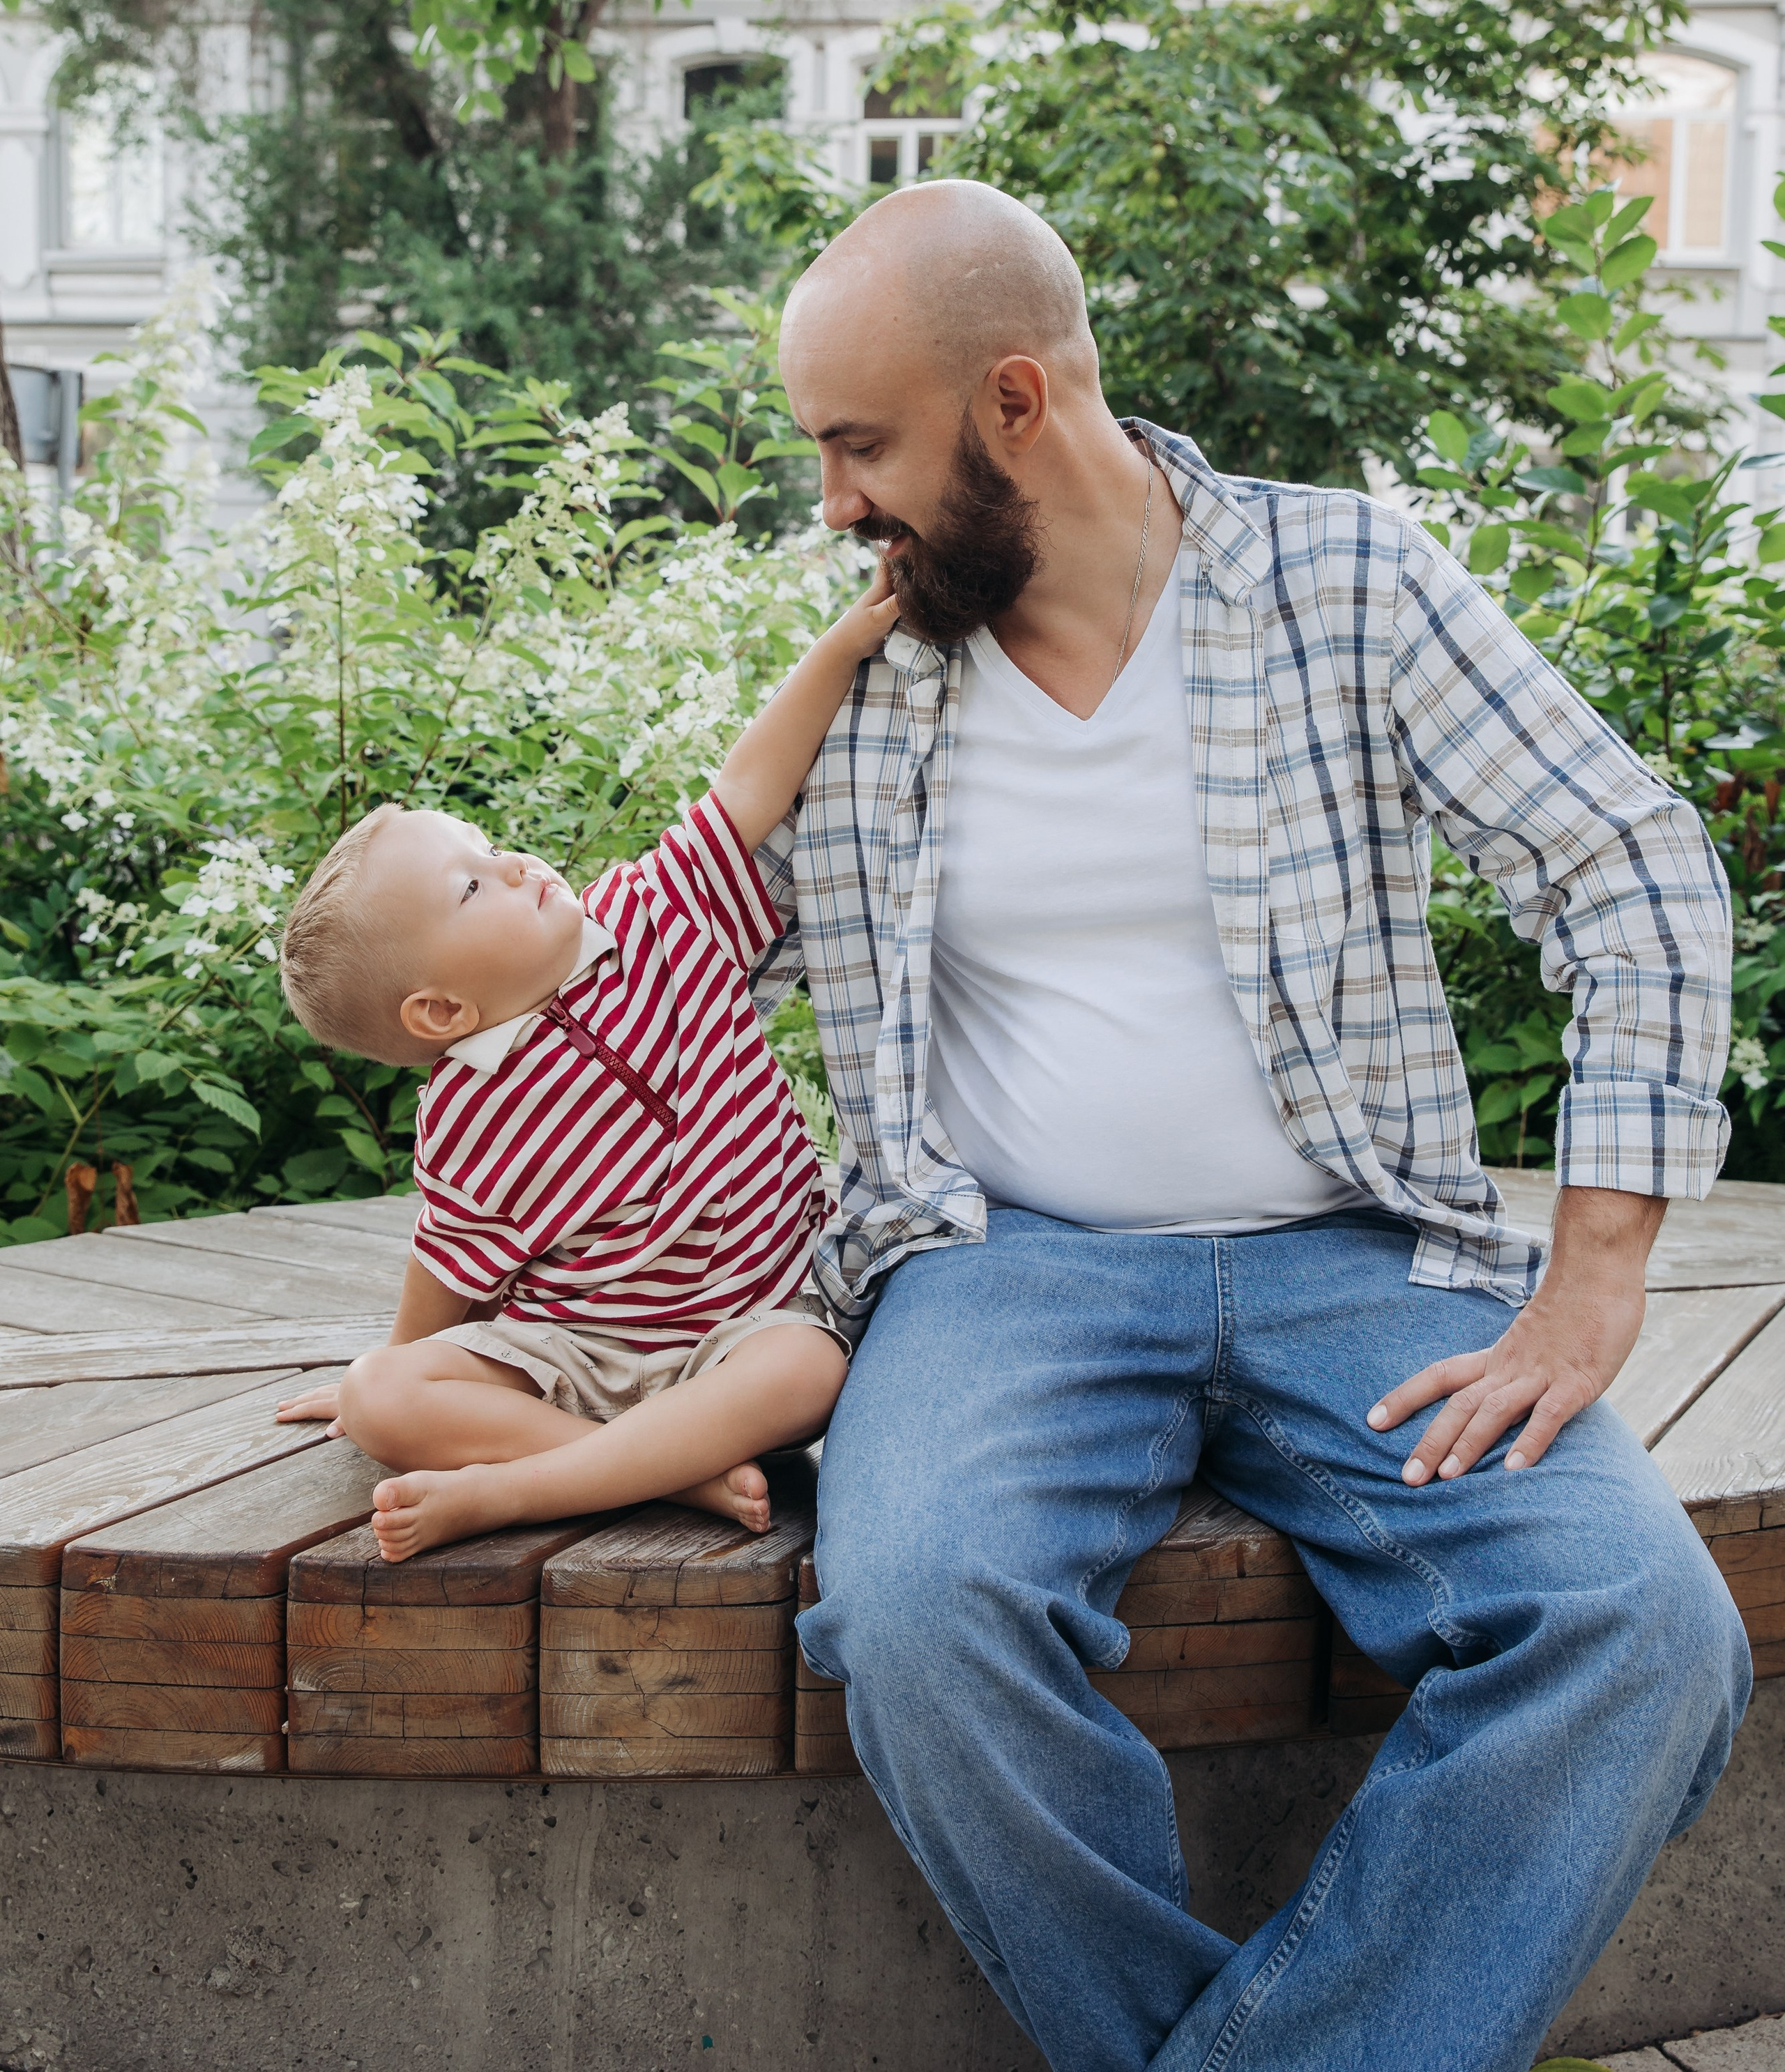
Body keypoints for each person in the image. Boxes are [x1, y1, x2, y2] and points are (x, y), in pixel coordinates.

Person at [750, 178, 1749, 2072]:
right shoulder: (874, 670)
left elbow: (1629, 866)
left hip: (1354, 1261)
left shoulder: (1342, 582)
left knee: (1642, 1631)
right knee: (919, 1614)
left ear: (1015, 402)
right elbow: (678, 951)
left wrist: (1595, 1275)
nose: (833, 504)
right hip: (999, 1271)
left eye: (861, 446)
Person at [269, 573, 896, 1561]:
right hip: (585, 1356)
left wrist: (840, 646)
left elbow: (746, 788)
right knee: (379, 1395)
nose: (515, 863)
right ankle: (669, 1471)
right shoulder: (469, 1116)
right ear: (443, 1011)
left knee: (811, 1372)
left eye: (491, 846)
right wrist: (390, 1376)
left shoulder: (657, 912)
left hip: (749, 1328)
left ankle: (522, 1488)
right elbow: (448, 1264)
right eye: (473, 886)